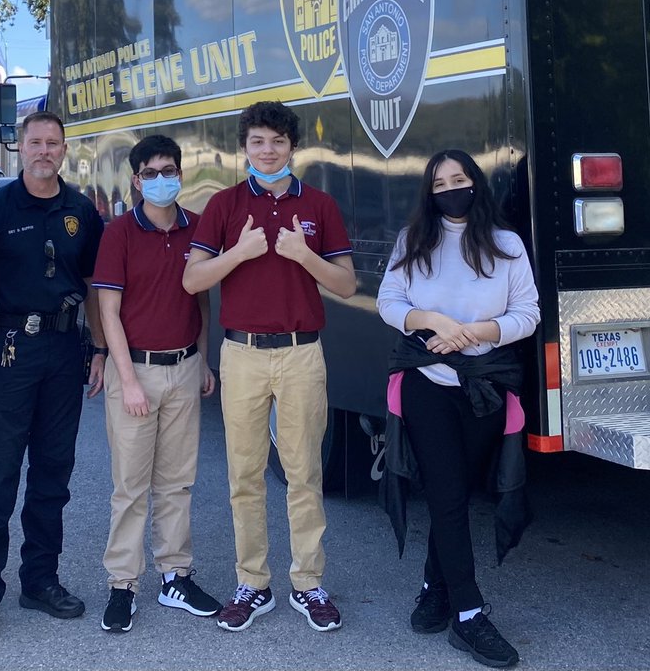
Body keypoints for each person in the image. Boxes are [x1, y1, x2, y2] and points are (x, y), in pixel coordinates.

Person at [184, 101, 355, 634]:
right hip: (242, 354)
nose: (268, 150)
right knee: (245, 474)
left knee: (305, 472)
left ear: (292, 147)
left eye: (277, 141)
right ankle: (252, 584)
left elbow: (347, 284)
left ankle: (308, 583)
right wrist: (239, 252)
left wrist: (305, 255)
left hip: (302, 352)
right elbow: (193, 280)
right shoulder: (226, 205)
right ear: (245, 148)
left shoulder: (320, 205)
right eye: (258, 141)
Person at [377, 149, 539, 670]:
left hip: (485, 384)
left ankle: (433, 584)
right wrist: (432, 321)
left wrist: (481, 333)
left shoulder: (506, 245)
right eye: (440, 182)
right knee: (446, 493)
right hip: (428, 382)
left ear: (475, 184)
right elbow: (388, 302)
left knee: (460, 489)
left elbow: (528, 314)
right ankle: (468, 615)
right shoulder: (413, 242)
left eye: (459, 179)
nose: (450, 188)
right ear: (430, 192)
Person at [0, 110, 106, 649]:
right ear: (19, 148)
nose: (44, 151)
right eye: (35, 142)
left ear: (65, 150)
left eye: (53, 143)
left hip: (65, 351)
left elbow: (92, 287)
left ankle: (40, 581)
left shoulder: (82, 212)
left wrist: (102, 350)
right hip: (10, 354)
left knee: (52, 476)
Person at [92, 134, 221, 634]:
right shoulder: (120, 232)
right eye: (151, 172)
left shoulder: (198, 229)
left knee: (177, 482)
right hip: (136, 372)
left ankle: (175, 576)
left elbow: (202, 300)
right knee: (130, 487)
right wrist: (128, 381)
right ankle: (123, 583)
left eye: (170, 170)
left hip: (186, 367)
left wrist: (204, 362)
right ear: (136, 179)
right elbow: (108, 310)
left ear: (181, 174)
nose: (161, 179)